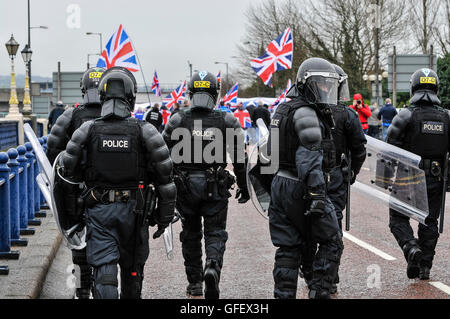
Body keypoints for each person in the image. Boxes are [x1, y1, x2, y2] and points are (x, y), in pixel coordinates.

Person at [61, 66, 176, 299]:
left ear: (102, 97)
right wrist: (163, 219)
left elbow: (66, 175)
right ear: (131, 98)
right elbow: (166, 179)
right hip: (135, 214)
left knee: (104, 273)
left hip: (99, 212)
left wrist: (73, 217)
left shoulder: (86, 130)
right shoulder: (147, 131)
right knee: (133, 276)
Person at [163, 71, 249, 299]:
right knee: (216, 233)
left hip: (185, 188)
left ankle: (195, 284)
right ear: (215, 94)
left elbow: (160, 154)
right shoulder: (227, 119)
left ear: (191, 94)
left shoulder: (177, 119)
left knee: (190, 235)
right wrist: (244, 186)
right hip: (215, 187)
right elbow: (240, 157)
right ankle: (212, 266)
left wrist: (163, 187)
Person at [268, 57, 343, 299]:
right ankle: (319, 292)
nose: (326, 89)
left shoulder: (282, 109)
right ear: (305, 83)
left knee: (288, 248)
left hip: (280, 183)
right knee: (332, 240)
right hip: (303, 185)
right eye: (320, 84)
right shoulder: (306, 113)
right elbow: (308, 158)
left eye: (328, 84)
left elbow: (268, 152)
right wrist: (317, 194)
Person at [299, 64, 367, 294]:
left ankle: (310, 273)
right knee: (332, 228)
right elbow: (359, 149)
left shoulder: (303, 110)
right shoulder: (347, 114)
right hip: (335, 177)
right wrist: (353, 173)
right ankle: (330, 277)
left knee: (307, 224)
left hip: (309, 177)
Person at [46, 67, 105, 299]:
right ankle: (107, 285)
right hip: (110, 191)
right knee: (109, 243)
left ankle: (82, 291)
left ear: (83, 89)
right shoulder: (121, 117)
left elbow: (52, 150)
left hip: (78, 192)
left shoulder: (70, 115)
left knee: (79, 247)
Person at [387, 68, 449, 280]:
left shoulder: (405, 115)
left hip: (407, 174)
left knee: (397, 217)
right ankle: (425, 268)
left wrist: (385, 178)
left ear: (413, 87)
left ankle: (410, 247)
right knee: (429, 221)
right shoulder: (447, 117)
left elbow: (389, 149)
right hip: (436, 176)